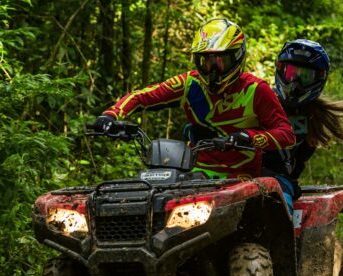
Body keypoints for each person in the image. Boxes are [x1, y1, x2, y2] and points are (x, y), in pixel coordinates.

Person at [92, 18, 295, 191]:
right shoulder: (189, 83)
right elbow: (141, 97)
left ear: (237, 57)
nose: (212, 70)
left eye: (220, 61)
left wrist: (249, 137)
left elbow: (286, 134)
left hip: (242, 177)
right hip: (195, 173)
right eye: (205, 61)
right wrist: (110, 115)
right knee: (154, 195)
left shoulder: (256, 89)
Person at [263, 39, 343, 199]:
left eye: (305, 77)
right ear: (280, 70)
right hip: (241, 173)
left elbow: (298, 162)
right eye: (291, 73)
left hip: (278, 183)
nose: (295, 83)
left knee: (281, 200)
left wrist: (288, 179)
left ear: (318, 79)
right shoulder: (261, 100)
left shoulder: (314, 116)